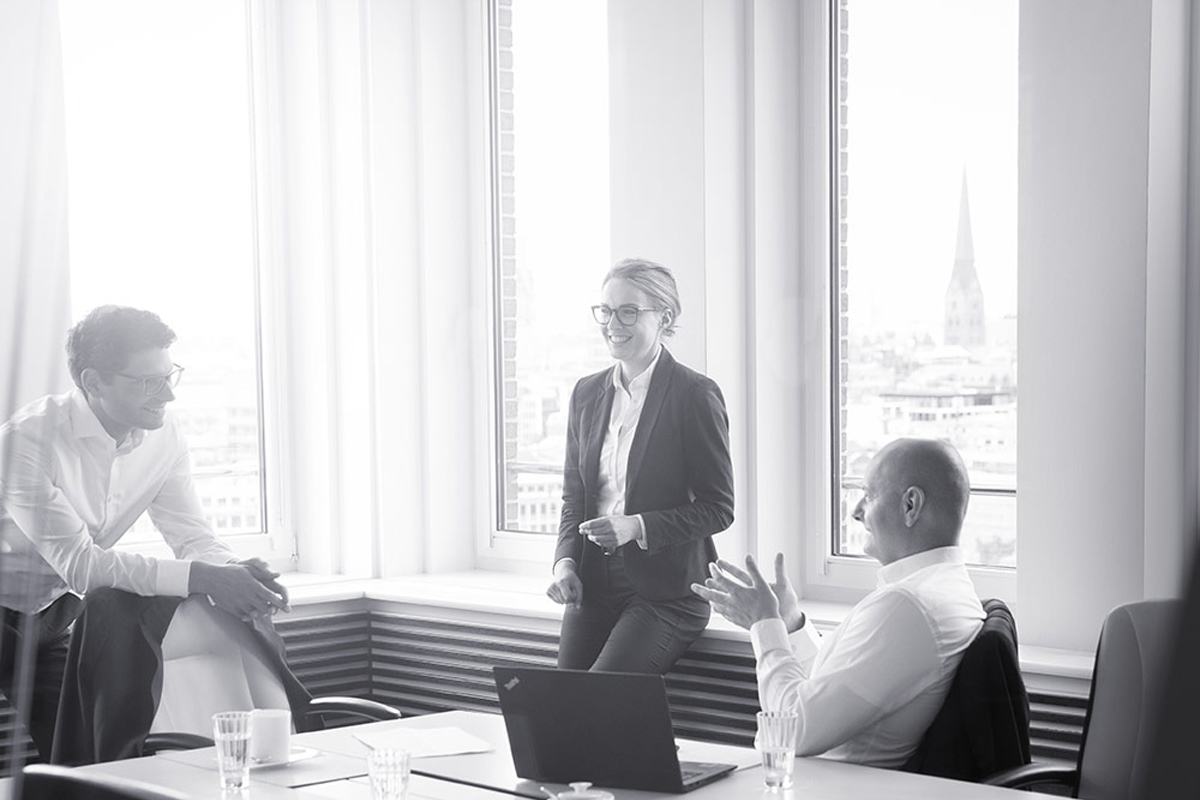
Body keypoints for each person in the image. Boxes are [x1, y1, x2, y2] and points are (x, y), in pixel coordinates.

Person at [0, 306, 300, 763]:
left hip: (53, 614)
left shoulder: (165, 436)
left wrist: (232, 571)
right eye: (149, 382)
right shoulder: (25, 441)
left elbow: (192, 535)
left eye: (169, 375)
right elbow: (82, 566)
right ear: (93, 382)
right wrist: (204, 577)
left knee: (87, 760)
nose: (169, 394)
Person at [691, 438, 985, 768]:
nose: (856, 512)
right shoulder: (942, 587)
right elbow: (834, 690)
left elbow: (791, 731)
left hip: (825, 784)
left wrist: (764, 624)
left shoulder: (907, 607)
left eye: (869, 495)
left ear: (910, 505)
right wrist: (789, 623)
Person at [545, 258, 735, 673]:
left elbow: (718, 508)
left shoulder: (695, 395)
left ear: (664, 317)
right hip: (593, 583)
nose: (613, 324)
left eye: (628, 311)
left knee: (601, 697)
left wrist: (636, 526)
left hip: (667, 593)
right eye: (606, 311)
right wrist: (565, 564)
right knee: (562, 700)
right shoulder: (586, 393)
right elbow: (574, 498)